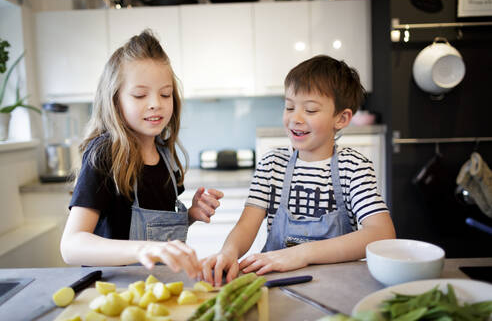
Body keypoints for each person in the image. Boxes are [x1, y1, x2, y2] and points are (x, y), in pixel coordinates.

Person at [201, 55, 396, 286]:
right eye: (289, 106)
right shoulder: (272, 165)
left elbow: (382, 234)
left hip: (340, 285)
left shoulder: (353, 167)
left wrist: (301, 254)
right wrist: (228, 252)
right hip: (279, 284)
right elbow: (245, 226)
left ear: (342, 118)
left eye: (311, 110)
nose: (295, 118)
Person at [60, 30, 223, 278]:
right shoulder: (106, 153)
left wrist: (190, 215)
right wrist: (145, 248)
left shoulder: (165, 155)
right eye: (140, 95)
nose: (156, 103)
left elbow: (157, 231)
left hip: (155, 284)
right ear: (115, 100)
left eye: (165, 94)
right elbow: (71, 246)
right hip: (113, 288)